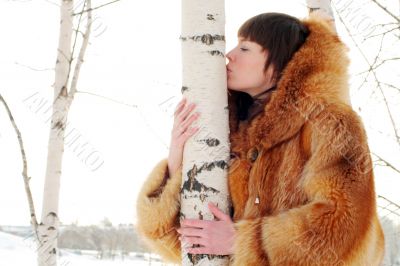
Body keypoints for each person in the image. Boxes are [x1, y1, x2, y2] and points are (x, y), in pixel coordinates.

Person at [136, 12, 385, 265]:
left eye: (245, 47)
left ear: (282, 61)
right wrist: (177, 160)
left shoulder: (331, 122)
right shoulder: (234, 134)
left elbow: (345, 227)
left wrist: (242, 241)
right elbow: (187, 242)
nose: (230, 54)